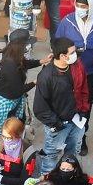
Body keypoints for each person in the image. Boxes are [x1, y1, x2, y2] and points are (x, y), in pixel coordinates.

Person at [53, 0, 93, 152]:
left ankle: (81, 136)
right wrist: (70, 51)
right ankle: (65, 135)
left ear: (91, 6)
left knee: (85, 104)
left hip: (91, 71)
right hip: (69, 69)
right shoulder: (67, 22)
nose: (80, 9)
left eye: (84, 6)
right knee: (68, 101)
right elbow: (57, 43)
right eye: (77, 5)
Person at [0, 29, 43, 133]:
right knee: (4, 131)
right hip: (6, 104)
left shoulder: (11, 55)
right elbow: (17, 91)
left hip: (8, 100)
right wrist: (34, 82)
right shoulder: (10, 66)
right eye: (27, 44)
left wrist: (41, 61)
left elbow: (25, 64)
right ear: (20, 45)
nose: (28, 46)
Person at [32, 38, 82, 174]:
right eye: (72, 52)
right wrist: (57, 123)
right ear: (62, 56)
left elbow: (82, 89)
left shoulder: (75, 67)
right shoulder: (46, 76)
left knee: (72, 154)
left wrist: (83, 111)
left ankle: (69, 176)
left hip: (76, 121)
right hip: (58, 125)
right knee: (50, 159)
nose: (75, 54)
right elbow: (39, 108)